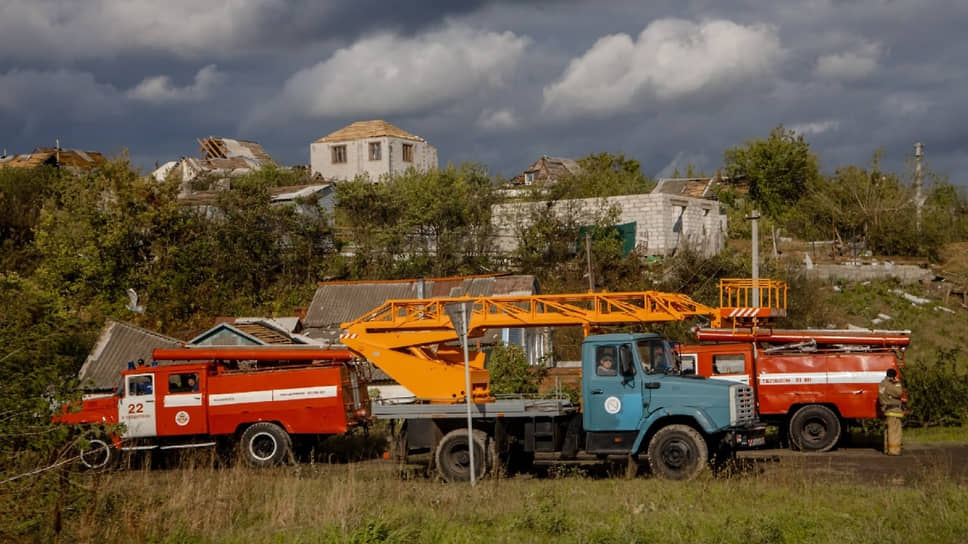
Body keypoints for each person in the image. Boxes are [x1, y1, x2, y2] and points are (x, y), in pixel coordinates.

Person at [878, 368, 904, 456]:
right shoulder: (890, 385)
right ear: (893, 376)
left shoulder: (882, 384)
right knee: (895, 431)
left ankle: (887, 449)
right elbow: (899, 392)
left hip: (886, 410)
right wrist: (897, 383)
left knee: (888, 430)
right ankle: (894, 450)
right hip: (894, 411)